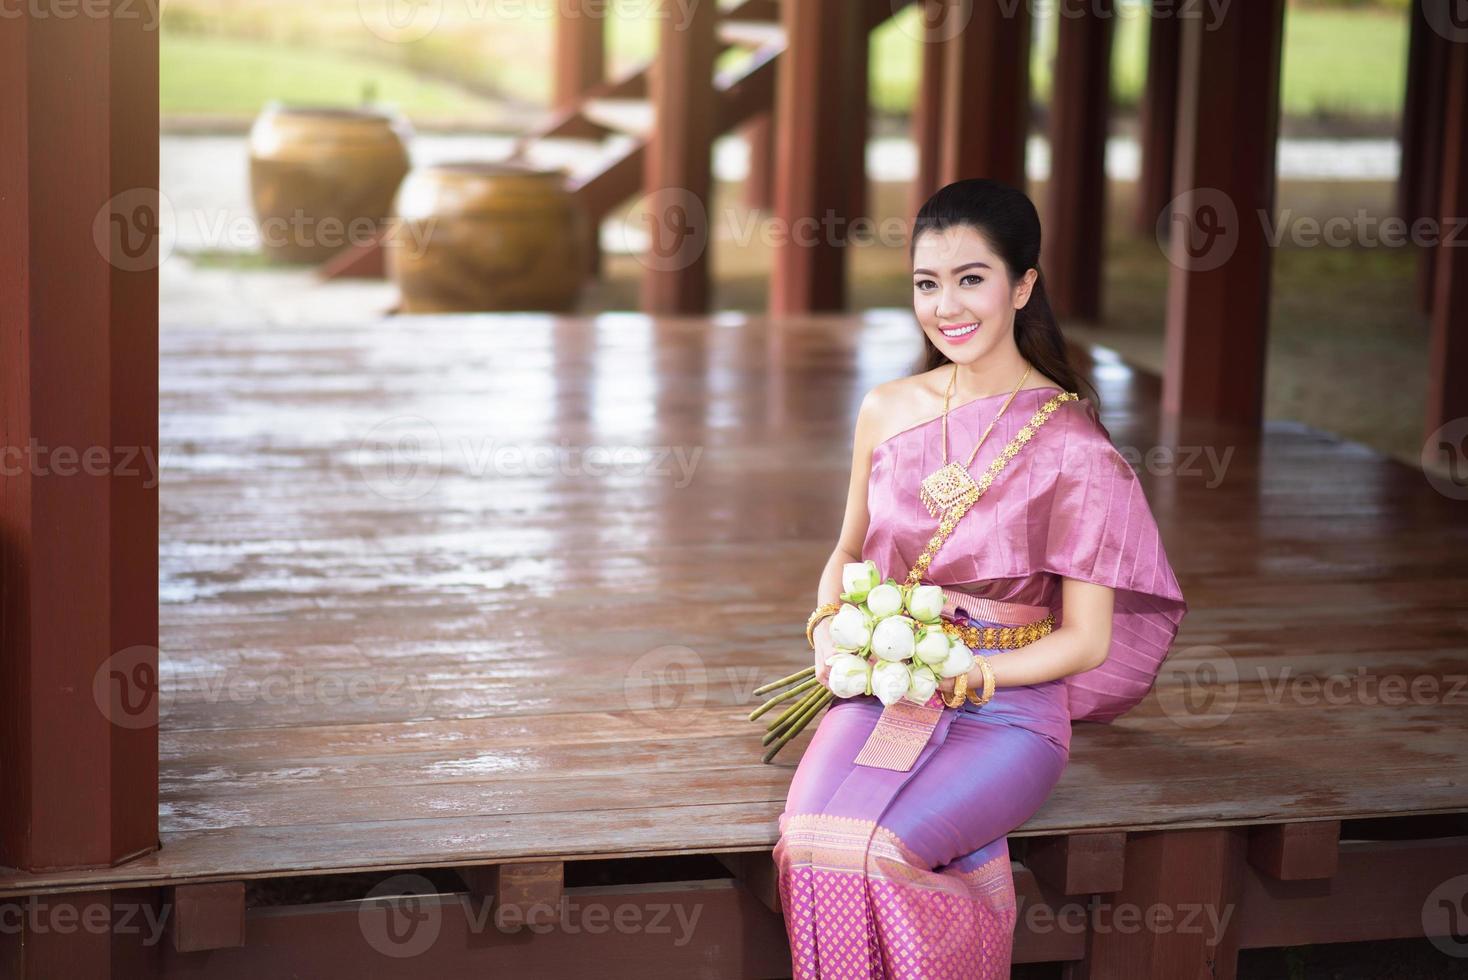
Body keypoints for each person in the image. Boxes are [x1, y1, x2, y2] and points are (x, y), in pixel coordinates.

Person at [773, 178, 1189, 978]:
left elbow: (1085, 640)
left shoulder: (1074, 448)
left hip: (1009, 710)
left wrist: (974, 672)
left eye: (972, 279)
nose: (947, 306)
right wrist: (830, 626)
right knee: (813, 842)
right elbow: (849, 548)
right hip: (888, 686)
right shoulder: (889, 409)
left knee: (882, 847)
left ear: (1022, 285)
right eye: (928, 283)